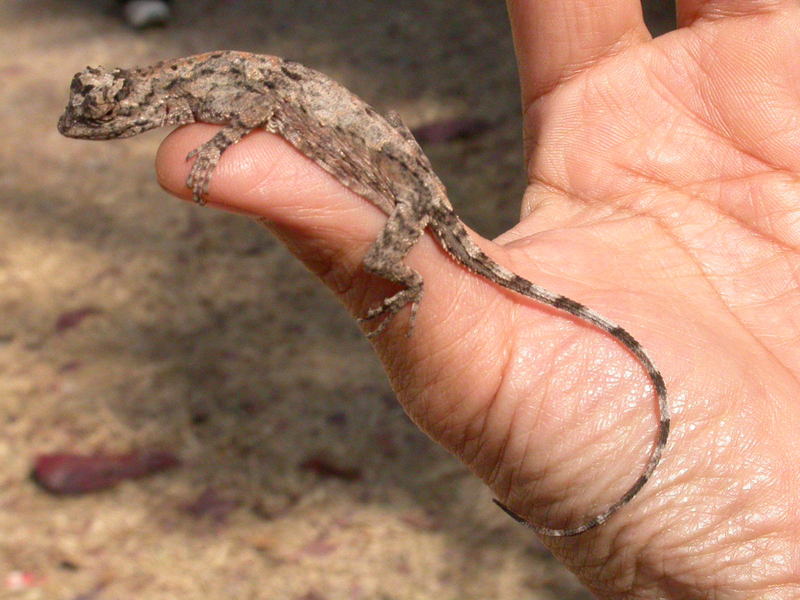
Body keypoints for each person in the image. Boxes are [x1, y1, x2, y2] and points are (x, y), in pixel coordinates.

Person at [155, 0, 800, 597]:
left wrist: (216, 145)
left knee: (387, 261)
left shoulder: (206, 88)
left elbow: (259, 110)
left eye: (109, 115)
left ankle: (409, 282)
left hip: (407, 196)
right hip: (397, 173)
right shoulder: (203, 84)